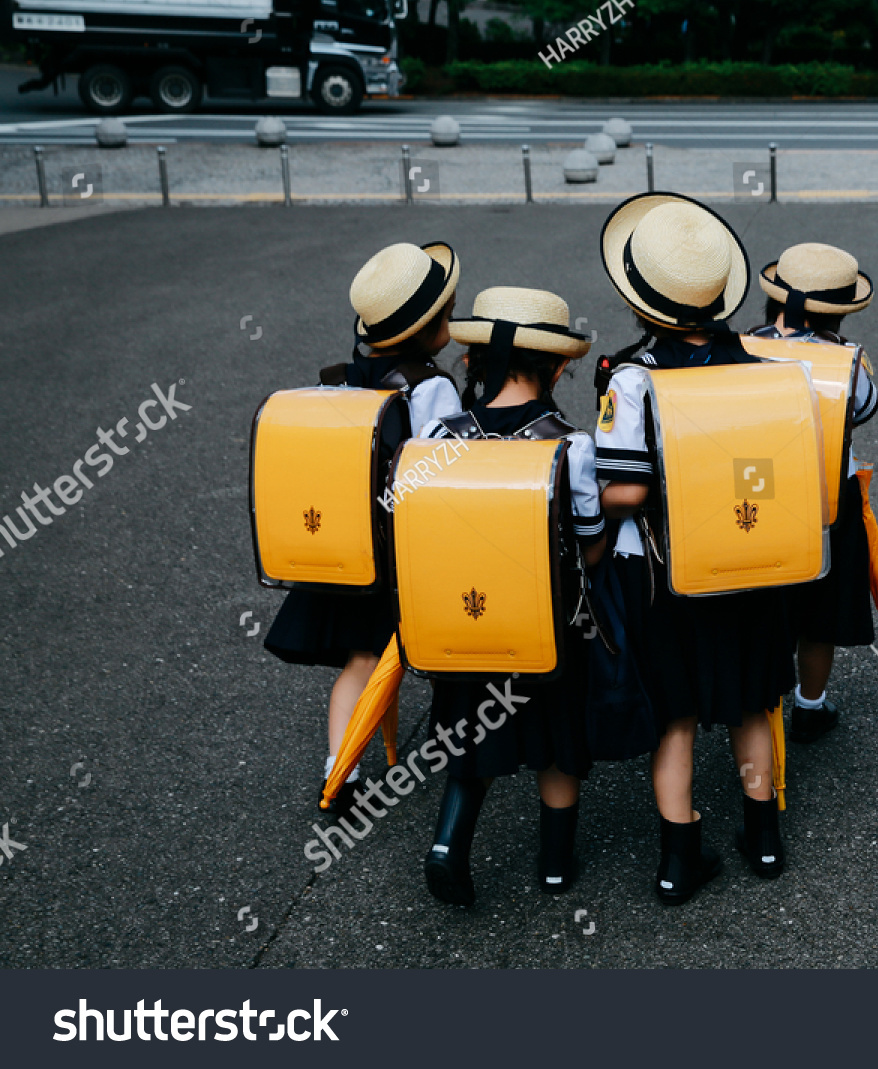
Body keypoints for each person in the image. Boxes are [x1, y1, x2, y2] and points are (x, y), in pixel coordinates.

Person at [593, 193, 796, 904]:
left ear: (643, 303)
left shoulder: (633, 377)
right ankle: (764, 839)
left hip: (665, 576)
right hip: (753, 566)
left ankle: (679, 860)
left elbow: (623, 492)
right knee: (749, 701)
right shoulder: (759, 364)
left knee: (675, 714)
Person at [414, 287, 605, 907]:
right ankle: (554, 866)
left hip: (464, 625)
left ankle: (447, 846)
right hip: (546, 629)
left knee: (469, 738)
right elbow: (588, 543)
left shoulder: (439, 437)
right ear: (555, 368)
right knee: (557, 745)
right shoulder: (566, 444)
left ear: (470, 363)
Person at [264, 241, 462, 812]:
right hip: (407, 550)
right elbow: (438, 468)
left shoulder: (339, 378)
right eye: (445, 314)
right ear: (427, 333)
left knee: (361, 660)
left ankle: (339, 769)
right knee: (443, 651)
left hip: (354, 544)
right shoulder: (431, 387)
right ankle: (455, 754)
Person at [747, 243, 878, 743]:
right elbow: (862, 410)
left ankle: (759, 699)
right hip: (827, 497)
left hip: (752, 489)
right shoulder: (847, 360)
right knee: (820, 611)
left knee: (760, 598)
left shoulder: (741, 348)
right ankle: (810, 703)